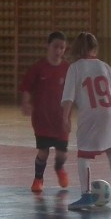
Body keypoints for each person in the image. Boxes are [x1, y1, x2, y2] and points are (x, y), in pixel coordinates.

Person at [61, 32, 111, 212]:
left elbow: (68, 98)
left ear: (76, 49)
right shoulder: (105, 66)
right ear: (95, 48)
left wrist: (65, 118)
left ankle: (86, 195)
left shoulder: (75, 68)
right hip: (110, 112)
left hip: (90, 114)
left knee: (83, 155)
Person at [19, 31, 71, 193]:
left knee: (62, 153)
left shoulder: (68, 69)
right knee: (43, 151)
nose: (59, 51)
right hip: (42, 118)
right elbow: (27, 87)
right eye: (56, 47)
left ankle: (59, 168)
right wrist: (26, 102)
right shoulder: (38, 67)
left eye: (62, 48)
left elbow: (73, 92)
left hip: (61, 118)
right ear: (48, 46)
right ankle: (38, 178)